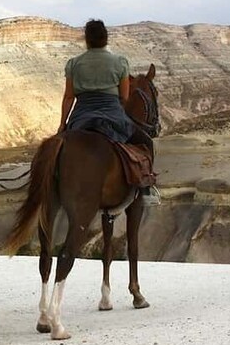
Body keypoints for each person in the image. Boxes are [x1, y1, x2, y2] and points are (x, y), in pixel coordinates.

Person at [58, 20, 160, 206]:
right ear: (106, 39)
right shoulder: (120, 62)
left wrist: (62, 124)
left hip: (81, 117)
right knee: (146, 142)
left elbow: (68, 98)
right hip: (113, 116)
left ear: (86, 40)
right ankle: (146, 189)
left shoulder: (73, 64)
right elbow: (124, 97)